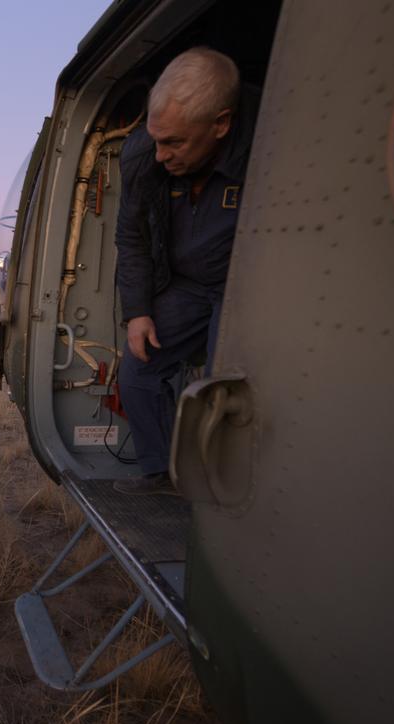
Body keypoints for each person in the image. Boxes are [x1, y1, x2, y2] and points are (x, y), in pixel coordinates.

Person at [113, 47, 261, 494]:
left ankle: (224, 494)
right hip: (188, 287)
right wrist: (137, 311)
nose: (160, 155)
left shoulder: (271, 143)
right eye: (157, 139)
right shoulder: (143, 156)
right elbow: (132, 237)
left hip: (243, 291)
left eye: (174, 143)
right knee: (138, 368)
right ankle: (163, 476)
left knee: (224, 386)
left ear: (221, 123)